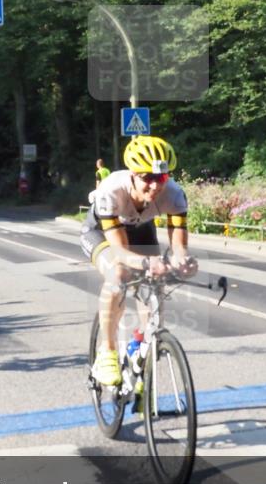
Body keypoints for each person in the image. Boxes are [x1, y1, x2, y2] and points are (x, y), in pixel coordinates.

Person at [79, 135, 198, 386]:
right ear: (132, 174)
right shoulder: (111, 190)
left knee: (154, 286)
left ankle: (140, 349)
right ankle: (107, 352)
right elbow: (121, 251)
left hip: (141, 230)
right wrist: (146, 263)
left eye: (162, 178)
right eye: (148, 178)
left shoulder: (175, 195)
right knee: (119, 275)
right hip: (101, 232)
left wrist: (183, 260)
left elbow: (178, 245)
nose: (156, 187)